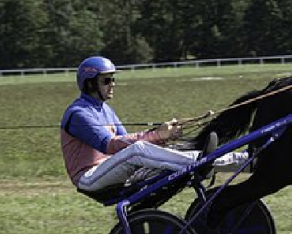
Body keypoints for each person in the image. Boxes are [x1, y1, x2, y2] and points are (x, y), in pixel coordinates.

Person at [61, 56, 246, 194]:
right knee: (139, 150)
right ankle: (201, 162)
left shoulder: (105, 109)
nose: (113, 84)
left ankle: (243, 161)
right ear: (91, 84)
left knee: (172, 148)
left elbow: (125, 142)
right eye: (107, 80)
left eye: (113, 79)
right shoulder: (78, 114)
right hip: (89, 177)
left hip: (110, 168)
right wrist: (157, 134)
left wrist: (164, 138)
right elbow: (110, 145)